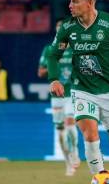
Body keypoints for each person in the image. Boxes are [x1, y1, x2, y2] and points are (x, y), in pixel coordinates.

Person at [47, 0, 109, 184]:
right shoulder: (68, 27)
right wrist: (54, 79)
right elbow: (53, 55)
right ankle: (100, 177)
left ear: (90, 2)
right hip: (82, 90)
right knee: (90, 133)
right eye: (70, 0)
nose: (70, 5)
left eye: (75, 1)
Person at [37, 20, 80, 176]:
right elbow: (40, 72)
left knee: (70, 124)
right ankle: (68, 162)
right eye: (58, 30)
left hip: (71, 93)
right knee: (60, 130)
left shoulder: (76, 49)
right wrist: (53, 66)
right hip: (56, 95)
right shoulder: (49, 50)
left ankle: (75, 151)